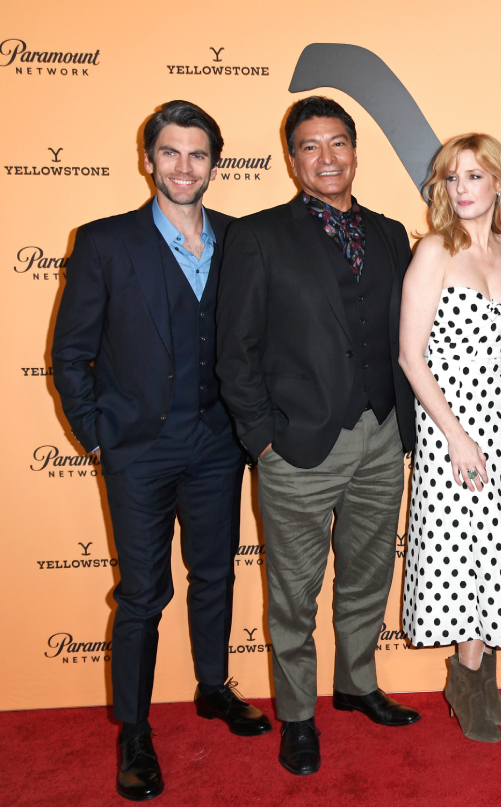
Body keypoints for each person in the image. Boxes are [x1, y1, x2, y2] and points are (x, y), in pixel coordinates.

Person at [52, 100, 270, 802]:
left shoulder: (241, 239)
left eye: (198, 154)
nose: (184, 166)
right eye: (171, 153)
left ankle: (212, 686)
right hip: (137, 451)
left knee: (215, 574)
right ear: (149, 159)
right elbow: (70, 353)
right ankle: (136, 728)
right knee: (144, 592)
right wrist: (99, 436)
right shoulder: (105, 242)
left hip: (216, 444)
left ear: (215, 162)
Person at [216, 96, 421, 776]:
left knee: (367, 575)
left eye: (337, 143)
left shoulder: (393, 233)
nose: (327, 157)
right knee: (294, 590)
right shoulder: (257, 236)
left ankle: (357, 682)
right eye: (310, 145)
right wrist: (262, 438)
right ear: (292, 157)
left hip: (382, 433)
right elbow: (235, 351)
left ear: (355, 151)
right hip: (297, 446)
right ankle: (298, 714)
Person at [398, 133, 501, 742]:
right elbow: (411, 357)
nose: (461, 190)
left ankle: (483, 681)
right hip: (450, 425)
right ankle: (466, 682)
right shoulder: (435, 250)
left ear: (498, 184)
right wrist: (457, 437)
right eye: (452, 179)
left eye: (474, 177)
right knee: (462, 553)